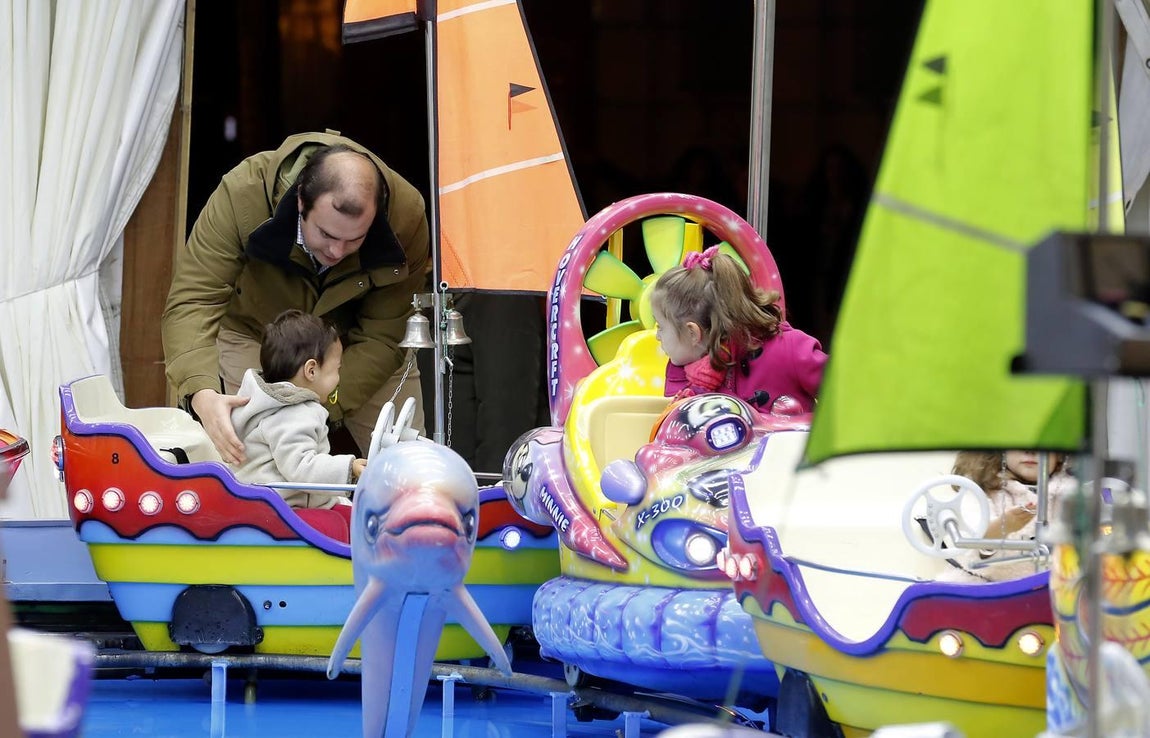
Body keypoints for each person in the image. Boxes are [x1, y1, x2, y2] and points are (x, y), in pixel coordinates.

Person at [162, 131, 427, 465]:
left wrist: (316, 403)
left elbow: (385, 334)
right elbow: (194, 299)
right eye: (327, 234)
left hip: (357, 349)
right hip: (257, 335)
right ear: (301, 201)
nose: (336, 251)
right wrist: (201, 393)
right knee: (248, 461)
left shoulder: (407, 215)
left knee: (411, 463)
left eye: (354, 240)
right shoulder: (242, 193)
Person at [649, 246, 827, 414]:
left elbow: (848, 392)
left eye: (660, 327)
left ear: (692, 333)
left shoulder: (789, 350)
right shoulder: (686, 383)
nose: (657, 336)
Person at [229, 310, 365, 510]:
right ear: (311, 370)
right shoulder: (292, 412)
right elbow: (300, 467)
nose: (338, 377)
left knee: (347, 514)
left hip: (272, 505)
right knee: (344, 529)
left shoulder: (271, 402)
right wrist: (349, 468)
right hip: (284, 513)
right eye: (336, 369)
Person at [941, 450, 1074, 582]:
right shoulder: (977, 490)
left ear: (1060, 454)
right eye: (1020, 443)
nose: (1031, 452)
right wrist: (1003, 526)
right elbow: (969, 541)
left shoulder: (1072, 492)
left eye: (1043, 445)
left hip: (1054, 590)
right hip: (989, 590)